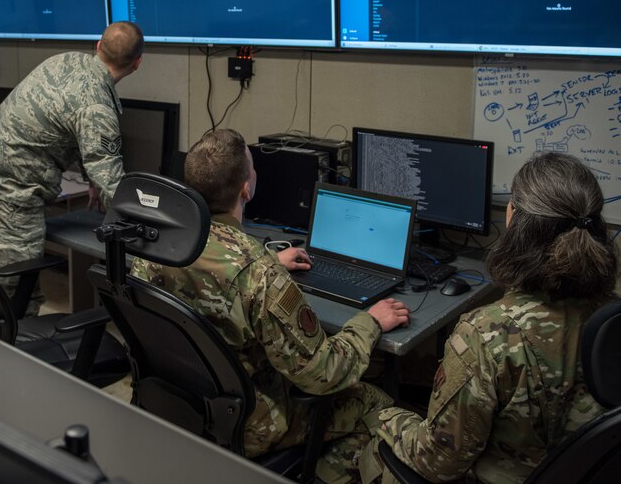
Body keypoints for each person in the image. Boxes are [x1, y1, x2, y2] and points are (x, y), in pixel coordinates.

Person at [132, 129, 411, 483]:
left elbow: (211, 276)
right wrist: (370, 323)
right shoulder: (258, 274)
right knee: (375, 402)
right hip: (250, 425)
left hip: (175, 403)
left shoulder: (157, 243)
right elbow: (324, 372)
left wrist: (267, 262)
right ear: (246, 188)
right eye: (252, 169)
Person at [361, 151, 620, 484]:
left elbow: (440, 463)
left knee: (371, 447)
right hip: (584, 472)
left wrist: (386, 419)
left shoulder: (487, 332)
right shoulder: (618, 318)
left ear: (515, 219)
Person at [0, 21, 144, 315]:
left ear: (98, 46)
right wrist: (148, 227)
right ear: (137, 63)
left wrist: (92, 178)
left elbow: (75, 133)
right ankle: (8, 354)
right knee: (15, 297)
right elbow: (111, 179)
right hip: (10, 196)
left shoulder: (65, 61)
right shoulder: (97, 106)